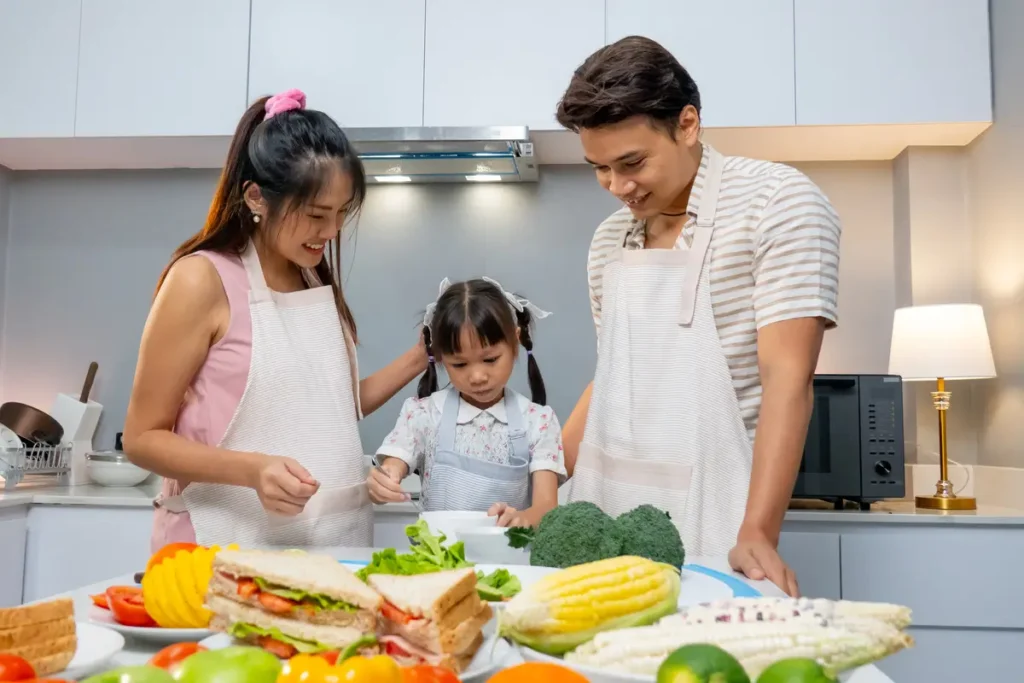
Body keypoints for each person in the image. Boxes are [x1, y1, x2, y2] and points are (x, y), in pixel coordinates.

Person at [556, 37, 841, 596]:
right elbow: (613, 378)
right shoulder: (610, 239)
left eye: (632, 163)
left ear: (687, 125)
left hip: (725, 512)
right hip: (611, 510)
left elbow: (788, 378)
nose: (617, 187)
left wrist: (758, 531)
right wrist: (545, 477)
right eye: (600, 169)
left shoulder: (778, 202)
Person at [124, 89, 426, 551]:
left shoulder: (312, 280)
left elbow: (334, 409)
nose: (331, 232)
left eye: (342, 213)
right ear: (256, 198)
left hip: (334, 544)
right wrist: (253, 470)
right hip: (223, 547)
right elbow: (142, 439)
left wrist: (421, 357)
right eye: (316, 214)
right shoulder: (200, 279)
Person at [367, 278, 566, 528]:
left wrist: (522, 519)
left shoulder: (539, 421)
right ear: (440, 357)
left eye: (490, 359)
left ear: (515, 342)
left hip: (509, 551)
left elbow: (546, 507)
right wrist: (384, 480)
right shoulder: (423, 414)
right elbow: (393, 465)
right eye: (460, 364)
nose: (477, 376)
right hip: (439, 552)